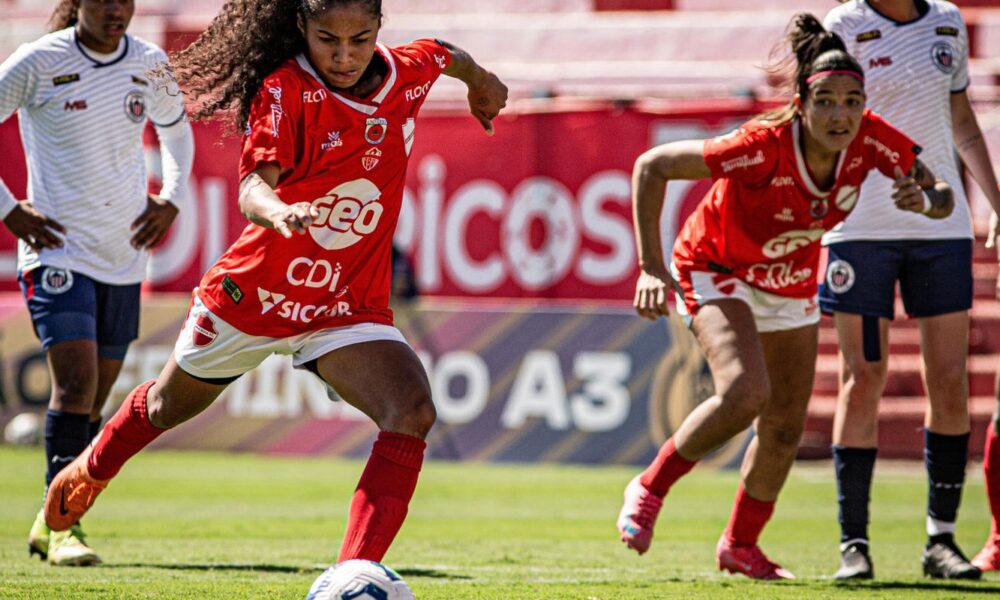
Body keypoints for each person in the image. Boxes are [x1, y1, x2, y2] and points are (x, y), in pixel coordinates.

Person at [41, 0, 507, 564]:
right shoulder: (286, 89)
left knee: (412, 410)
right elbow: (251, 188)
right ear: (302, 29)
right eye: (326, 39)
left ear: (379, 28)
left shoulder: (409, 69)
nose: (343, 55)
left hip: (342, 303)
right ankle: (80, 478)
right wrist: (279, 210)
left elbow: (448, 57)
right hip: (255, 296)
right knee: (165, 407)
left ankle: (352, 574)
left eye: (359, 39)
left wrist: (481, 82)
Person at [616, 12, 954, 580]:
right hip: (714, 264)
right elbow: (652, 166)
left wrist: (925, 202)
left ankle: (739, 545)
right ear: (801, 104)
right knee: (747, 392)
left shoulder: (873, 140)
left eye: (852, 100)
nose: (840, 114)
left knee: (784, 426)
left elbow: (941, 194)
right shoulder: (760, 145)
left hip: (789, 279)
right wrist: (650, 268)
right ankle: (649, 488)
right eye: (825, 100)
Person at [0, 0, 194, 566]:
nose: (116, 10)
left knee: (93, 405)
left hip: (124, 255)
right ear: (77, 3)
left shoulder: (151, 63)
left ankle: (49, 519)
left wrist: (173, 199)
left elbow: (178, 134)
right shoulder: (38, 62)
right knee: (76, 385)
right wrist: (9, 208)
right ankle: (65, 528)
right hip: (57, 249)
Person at [819, 0, 1000, 580]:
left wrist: (994, 203)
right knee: (862, 377)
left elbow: (962, 122)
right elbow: (815, 121)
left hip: (939, 228)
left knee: (948, 378)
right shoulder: (842, 25)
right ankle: (854, 543)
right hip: (860, 228)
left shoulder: (946, 20)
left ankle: (940, 542)